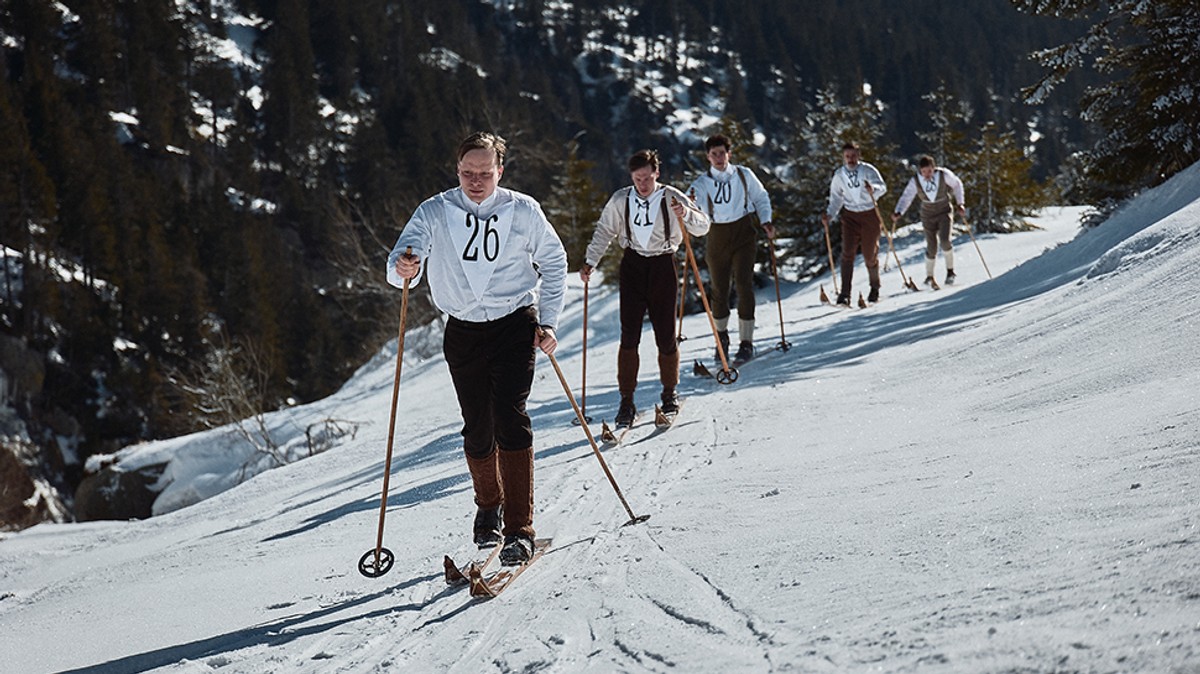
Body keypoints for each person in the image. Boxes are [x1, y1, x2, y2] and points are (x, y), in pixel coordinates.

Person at [386, 131, 567, 565]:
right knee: (476, 425)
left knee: (510, 416)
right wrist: (404, 265)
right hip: (462, 329)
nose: (476, 181)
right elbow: (400, 266)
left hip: (514, 324)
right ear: (457, 171)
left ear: (499, 171)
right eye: (468, 172)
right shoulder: (434, 210)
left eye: (485, 173)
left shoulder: (523, 210)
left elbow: (555, 261)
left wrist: (549, 322)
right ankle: (489, 505)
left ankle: (520, 528)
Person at [580, 149, 710, 427]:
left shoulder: (671, 196)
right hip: (633, 265)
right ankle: (626, 401)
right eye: (637, 179)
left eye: (647, 178)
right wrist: (591, 260)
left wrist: (685, 213)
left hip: (663, 264)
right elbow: (604, 230)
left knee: (665, 332)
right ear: (631, 177)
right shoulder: (621, 199)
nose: (642, 184)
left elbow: (703, 226)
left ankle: (669, 393)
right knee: (629, 335)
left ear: (657, 174)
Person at [687, 134, 774, 364]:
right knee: (719, 289)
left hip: (744, 232)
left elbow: (761, 197)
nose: (718, 158)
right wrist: (689, 211)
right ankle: (722, 339)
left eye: (722, 153)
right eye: (714, 154)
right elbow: (693, 208)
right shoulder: (701, 183)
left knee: (744, 284)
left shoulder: (744, 175)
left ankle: (746, 343)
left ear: (729, 153)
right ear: (707, 156)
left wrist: (766, 220)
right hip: (717, 235)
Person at [821, 142, 888, 305]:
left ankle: (874, 287)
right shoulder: (839, 175)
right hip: (850, 216)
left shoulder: (867, 170)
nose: (850, 159)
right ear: (843, 157)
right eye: (847, 156)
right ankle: (845, 294)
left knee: (869, 254)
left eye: (853, 156)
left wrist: (873, 189)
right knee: (847, 253)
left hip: (869, 214)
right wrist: (829, 214)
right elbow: (836, 197)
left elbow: (882, 187)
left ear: (858, 155)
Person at [891, 154, 967, 286]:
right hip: (927, 214)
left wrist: (960, 203)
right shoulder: (916, 181)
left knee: (944, 241)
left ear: (934, 168)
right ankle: (929, 277)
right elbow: (907, 196)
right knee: (931, 246)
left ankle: (950, 272)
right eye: (924, 171)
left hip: (944, 211)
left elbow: (957, 184)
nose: (927, 174)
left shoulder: (943, 175)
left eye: (930, 171)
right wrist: (899, 211)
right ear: (920, 171)